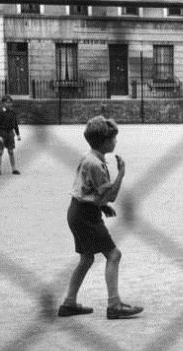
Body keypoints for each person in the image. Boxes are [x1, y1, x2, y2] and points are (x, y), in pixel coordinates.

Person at [59, 116, 143, 319]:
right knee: (114, 255)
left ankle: (69, 303)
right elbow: (111, 195)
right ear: (104, 142)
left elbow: (88, 190)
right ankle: (114, 305)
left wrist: (101, 205)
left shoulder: (87, 156)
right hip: (87, 216)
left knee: (87, 258)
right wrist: (121, 174)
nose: (115, 142)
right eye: (113, 139)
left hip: (76, 211)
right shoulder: (98, 165)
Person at [0, 95, 21, 175]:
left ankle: (14, 169)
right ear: (3, 103)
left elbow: (15, 124)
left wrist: (18, 134)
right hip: (2, 133)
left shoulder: (12, 112)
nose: (9, 104)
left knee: (11, 151)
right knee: (0, 152)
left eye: (10, 102)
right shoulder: (1, 113)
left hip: (10, 133)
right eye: (7, 102)